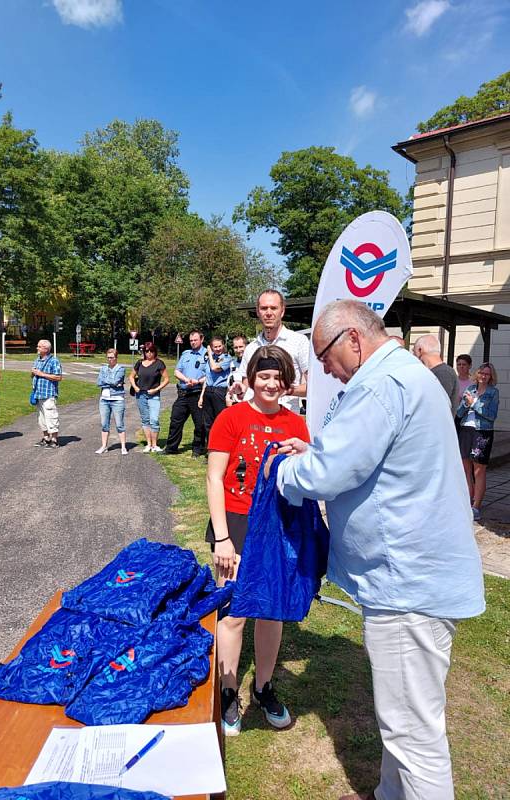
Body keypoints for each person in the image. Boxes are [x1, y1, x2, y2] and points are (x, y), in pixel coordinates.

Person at [270, 300, 484, 800]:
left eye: (323, 356)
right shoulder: (403, 375)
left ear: (353, 339)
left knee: (413, 735)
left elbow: (330, 473)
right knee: (402, 720)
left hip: (406, 583)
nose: (322, 369)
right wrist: (318, 453)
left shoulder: (380, 384)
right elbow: (361, 453)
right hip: (412, 575)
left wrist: (283, 473)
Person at [206, 345, 310, 736]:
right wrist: (222, 537)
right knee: (233, 613)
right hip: (235, 522)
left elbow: (306, 475)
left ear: (287, 382)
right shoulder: (231, 418)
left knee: (271, 609)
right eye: (263, 376)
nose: (271, 383)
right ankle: (228, 692)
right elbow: (215, 478)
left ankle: (263, 686)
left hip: (278, 525)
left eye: (278, 377)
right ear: (250, 380)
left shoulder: (296, 424)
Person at [237, 290, 309, 411]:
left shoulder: (299, 342)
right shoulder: (251, 348)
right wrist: (240, 390)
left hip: (286, 418)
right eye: (264, 308)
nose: (268, 313)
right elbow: (246, 384)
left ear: (282, 311)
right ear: (258, 312)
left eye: (273, 308)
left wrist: (285, 390)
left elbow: (313, 387)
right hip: (255, 419)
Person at [456, 362, 499, 522]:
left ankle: (476, 506)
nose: (483, 376)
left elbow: (491, 415)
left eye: (487, 374)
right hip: (466, 430)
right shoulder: (470, 389)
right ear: (477, 374)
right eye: (481, 373)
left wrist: (475, 404)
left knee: (478, 470)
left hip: (482, 432)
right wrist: (466, 404)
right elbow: (459, 413)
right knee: (466, 468)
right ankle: (468, 502)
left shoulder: (493, 392)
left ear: (491, 376)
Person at [162, 329, 207, 457]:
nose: (193, 342)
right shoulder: (186, 354)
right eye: (191, 340)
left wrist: (197, 381)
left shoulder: (207, 355)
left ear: (201, 340)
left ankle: (197, 449)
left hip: (197, 393)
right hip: (183, 393)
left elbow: (209, 375)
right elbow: (177, 371)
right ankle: (171, 448)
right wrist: (186, 379)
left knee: (199, 423)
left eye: (195, 340)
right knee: (175, 420)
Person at [130, 342, 169, 453]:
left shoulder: (159, 364)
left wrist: (156, 389)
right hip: (141, 395)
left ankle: (155, 445)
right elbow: (131, 376)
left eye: (151, 351)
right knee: (145, 420)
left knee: (154, 420)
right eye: (147, 351)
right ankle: (149, 444)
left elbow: (166, 380)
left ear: (155, 352)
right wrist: (135, 387)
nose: (149, 353)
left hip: (153, 395)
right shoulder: (139, 363)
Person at [31, 339, 62, 449]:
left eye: (39, 347)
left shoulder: (54, 361)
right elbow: (34, 375)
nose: (37, 348)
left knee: (51, 416)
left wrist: (41, 374)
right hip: (38, 393)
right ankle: (46, 438)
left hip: (48, 393)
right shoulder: (37, 360)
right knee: (41, 418)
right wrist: (33, 373)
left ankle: (54, 440)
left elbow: (58, 377)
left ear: (46, 349)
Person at [197, 335, 232, 435]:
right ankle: (210, 446)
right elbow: (207, 378)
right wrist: (201, 396)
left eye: (219, 346)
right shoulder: (210, 359)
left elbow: (215, 368)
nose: (218, 349)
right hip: (208, 390)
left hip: (219, 392)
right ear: (212, 347)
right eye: (215, 347)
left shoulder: (226, 358)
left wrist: (209, 354)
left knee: (220, 420)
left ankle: (222, 446)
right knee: (207, 422)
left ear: (223, 345)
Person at [412, 334, 458, 408]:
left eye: (414, 351)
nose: (413, 355)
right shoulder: (434, 372)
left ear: (420, 350)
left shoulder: (443, 373)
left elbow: (437, 405)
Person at [96, 348, 127, 455]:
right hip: (104, 399)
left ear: (116, 358)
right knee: (104, 424)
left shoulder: (121, 369)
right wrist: (112, 382)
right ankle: (104, 446)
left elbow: (116, 380)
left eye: (112, 358)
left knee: (119, 424)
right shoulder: (103, 368)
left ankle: (123, 446)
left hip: (117, 399)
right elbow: (99, 382)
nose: (110, 360)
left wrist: (110, 381)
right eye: (108, 357)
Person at [226, 335, 248, 407]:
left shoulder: (252, 362)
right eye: (236, 347)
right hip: (234, 401)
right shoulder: (233, 363)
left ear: (246, 346)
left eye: (241, 347)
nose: (238, 350)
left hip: (247, 400)